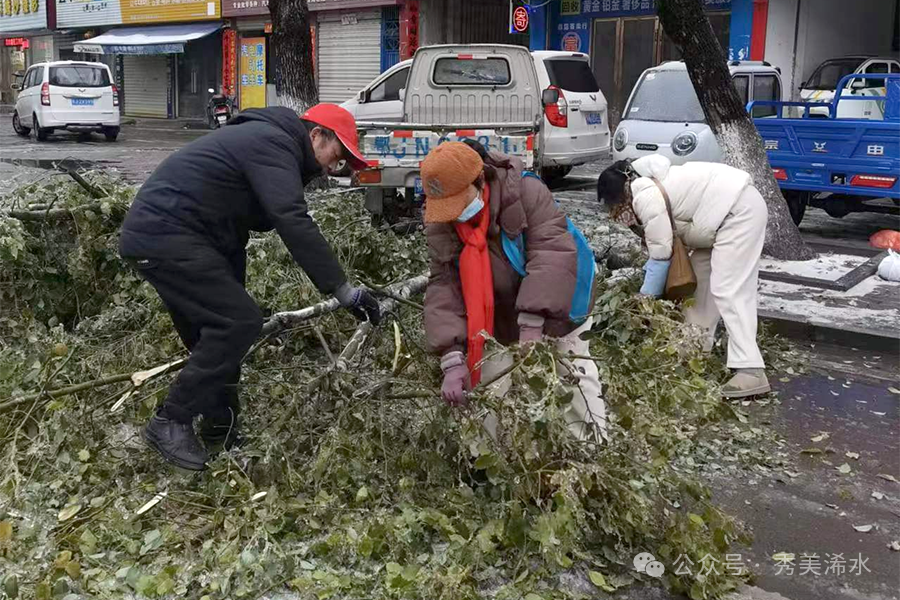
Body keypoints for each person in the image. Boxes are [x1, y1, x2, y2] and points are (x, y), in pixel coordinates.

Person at [119, 104, 382, 471]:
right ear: (316, 135)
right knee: (239, 322)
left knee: (216, 334)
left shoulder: (268, 141)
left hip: (188, 236)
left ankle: (220, 429)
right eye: (336, 157)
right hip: (167, 233)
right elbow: (290, 218)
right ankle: (171, 421)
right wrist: (344, 291)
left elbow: (237, 216)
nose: (332, 168)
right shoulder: (273, 143)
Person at [422, 141, 607, 443]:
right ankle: (489, 457)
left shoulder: (524, 193)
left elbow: (552, 253)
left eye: (457, 203)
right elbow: (444, 284)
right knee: (489, 384)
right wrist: (451, 356)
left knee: (572, 373)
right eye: (445, 207)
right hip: (496, 312)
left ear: (479, 180)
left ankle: (592, 446)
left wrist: (533, 322)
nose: (453, 214)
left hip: (561, 298)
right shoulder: (443, 221)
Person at [597, 154, 770, 399]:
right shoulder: (644, 187)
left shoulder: (643, 194)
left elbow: (661, 255)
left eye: (612, 206)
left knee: (729, 289)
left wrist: (643, 302)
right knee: (698, 290)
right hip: (719, 222)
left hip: (738, 213)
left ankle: (750, 370)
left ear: (618, 195)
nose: (614, 213)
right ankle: (694, 350)